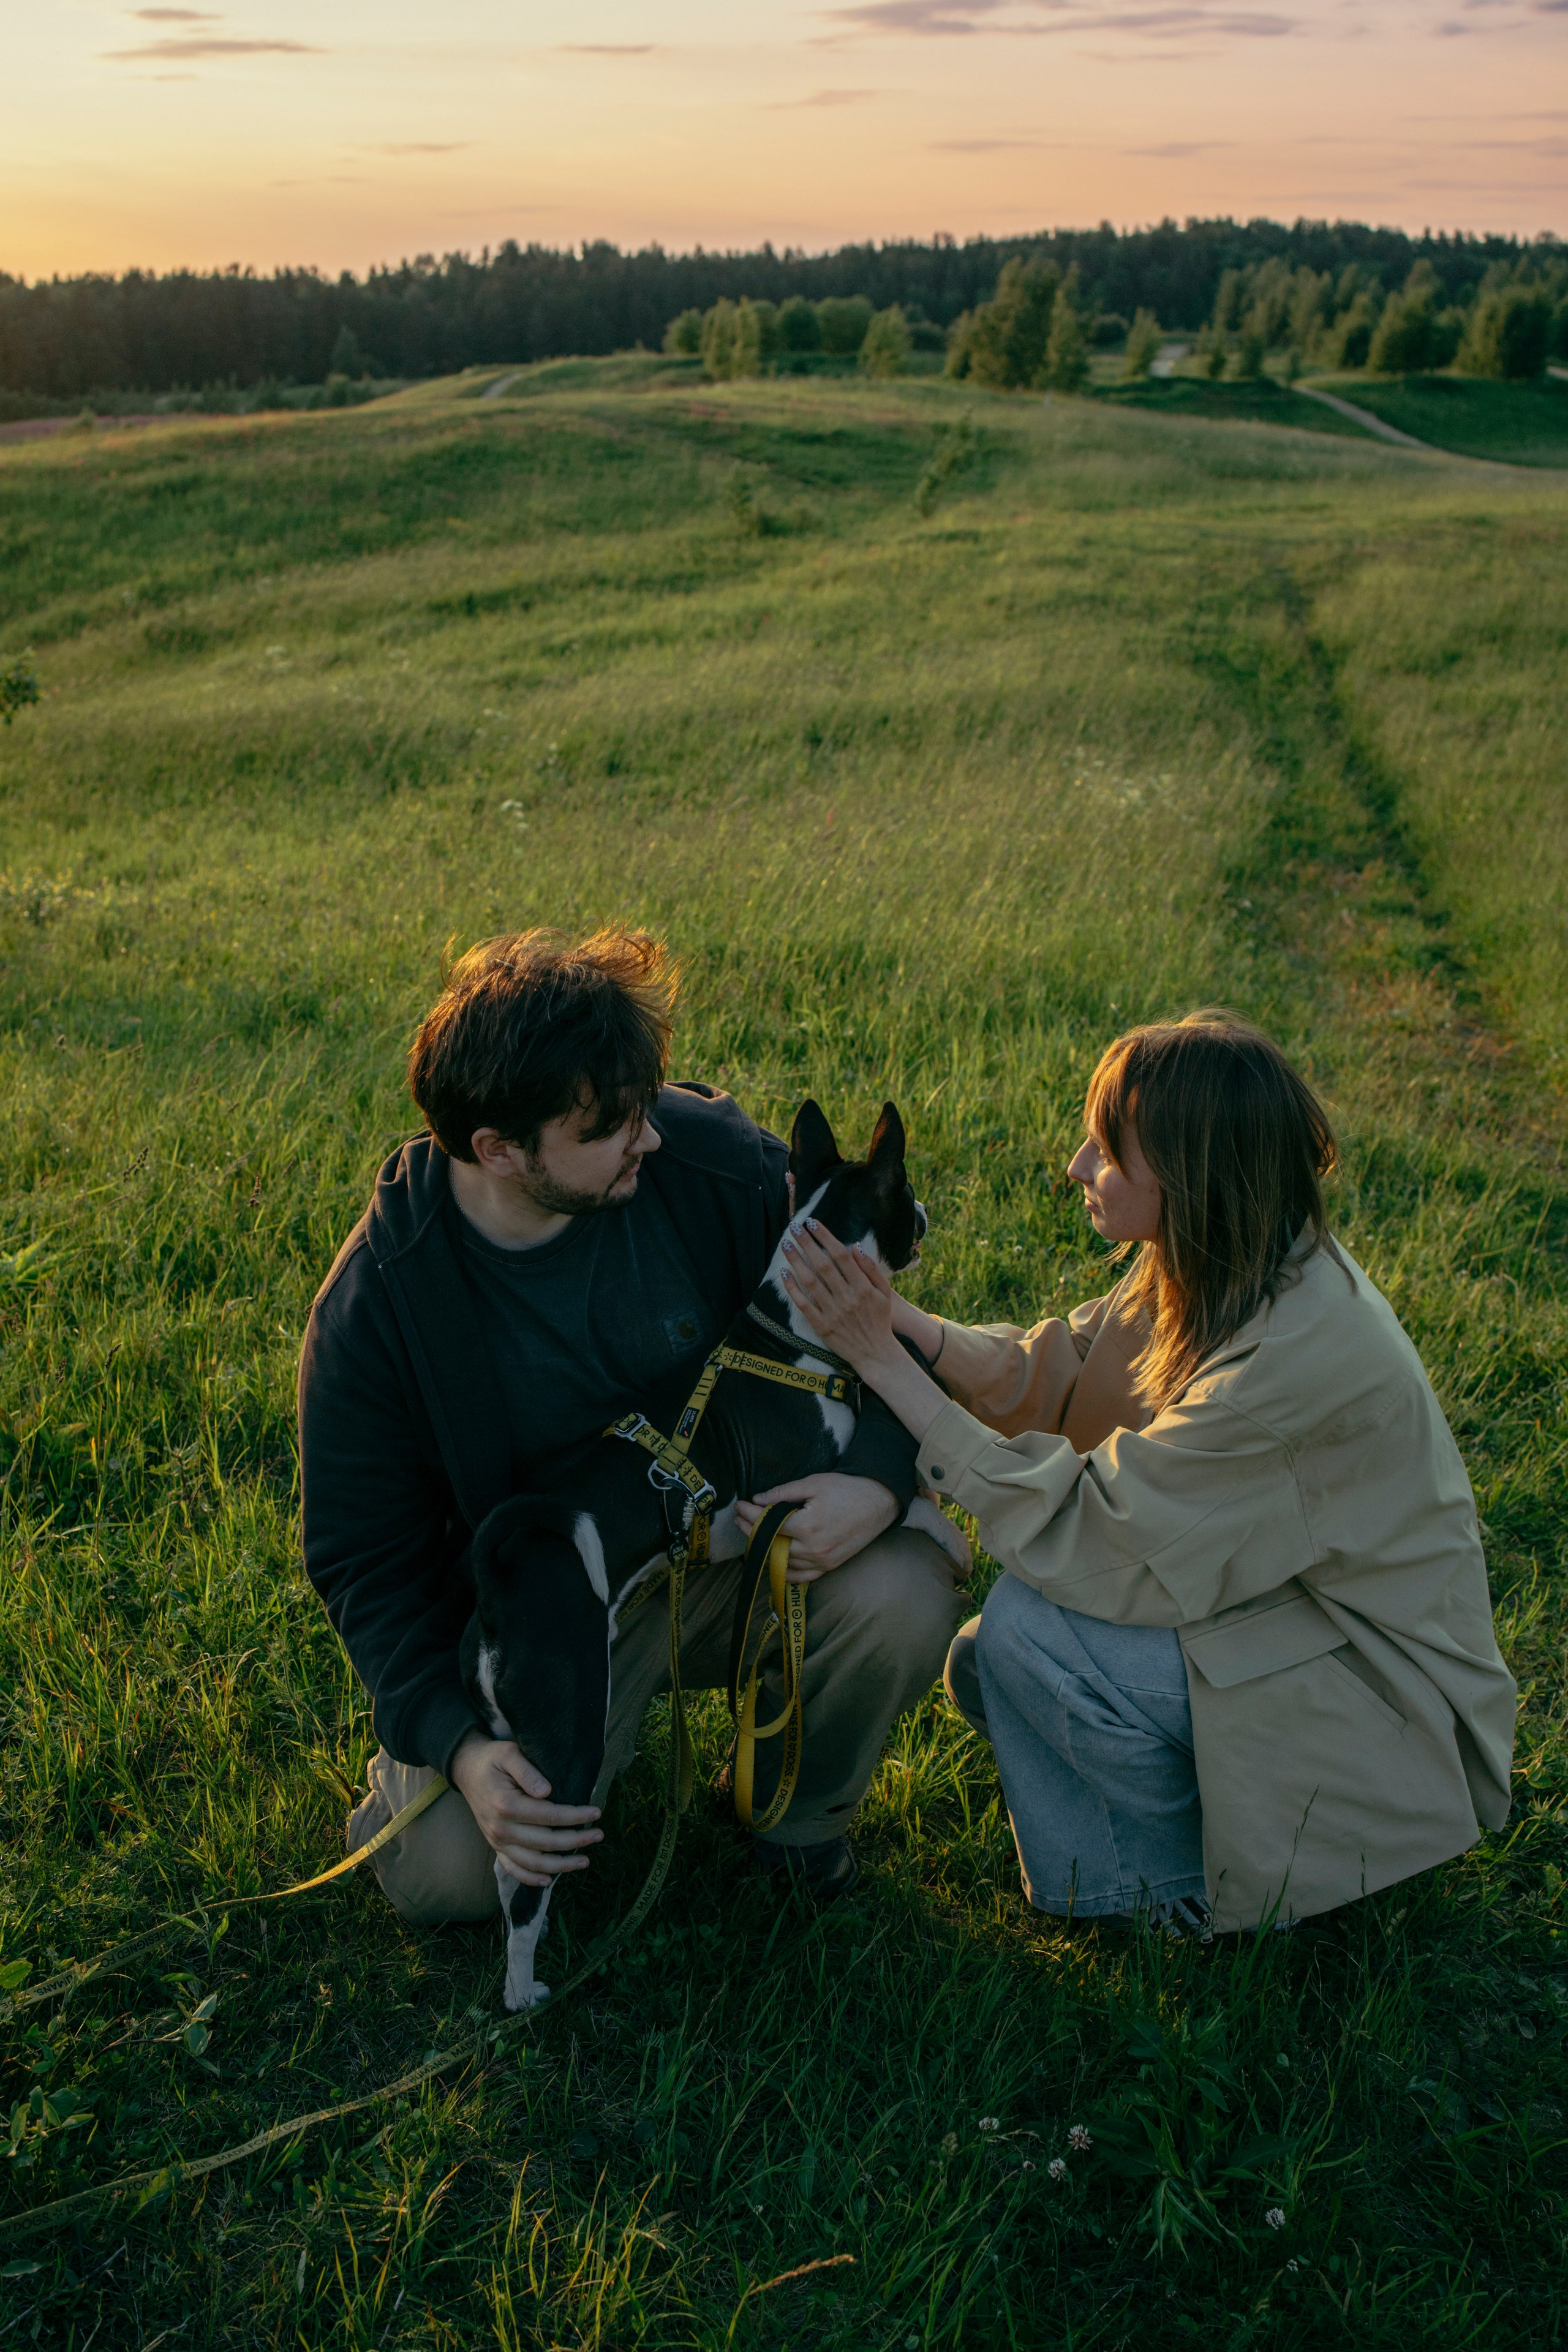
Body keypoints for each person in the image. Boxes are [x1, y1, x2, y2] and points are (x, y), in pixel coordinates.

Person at [777, 1011, 1517, 1934]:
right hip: (1302, 1628)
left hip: (1390, 1713)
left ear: (1190, 1176)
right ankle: (1202, 1848)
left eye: (1106, 1151)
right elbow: (1064, 1373)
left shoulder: (1292, 1359)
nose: (1078, 1169)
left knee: (1026, 1640)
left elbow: (1094, 1534)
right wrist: (902, 1325)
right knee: (987, 1669)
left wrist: (883, 1367)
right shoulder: (1218, 1256)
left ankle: (1180, 1900)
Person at [297, 927, 963, 1922]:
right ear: (498, 1148)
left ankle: (796, 1819)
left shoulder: (716, 1168)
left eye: (645, 1107)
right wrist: (460, 1747)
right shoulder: (381, 1305)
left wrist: (876, 1480)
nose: (648, 1138)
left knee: (907, 1584)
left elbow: (877, 1342)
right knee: (448, 1880)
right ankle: (464, 1777)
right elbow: (362, 1564)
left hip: (737, 1561)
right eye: (612, 1127)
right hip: (548, 1617)